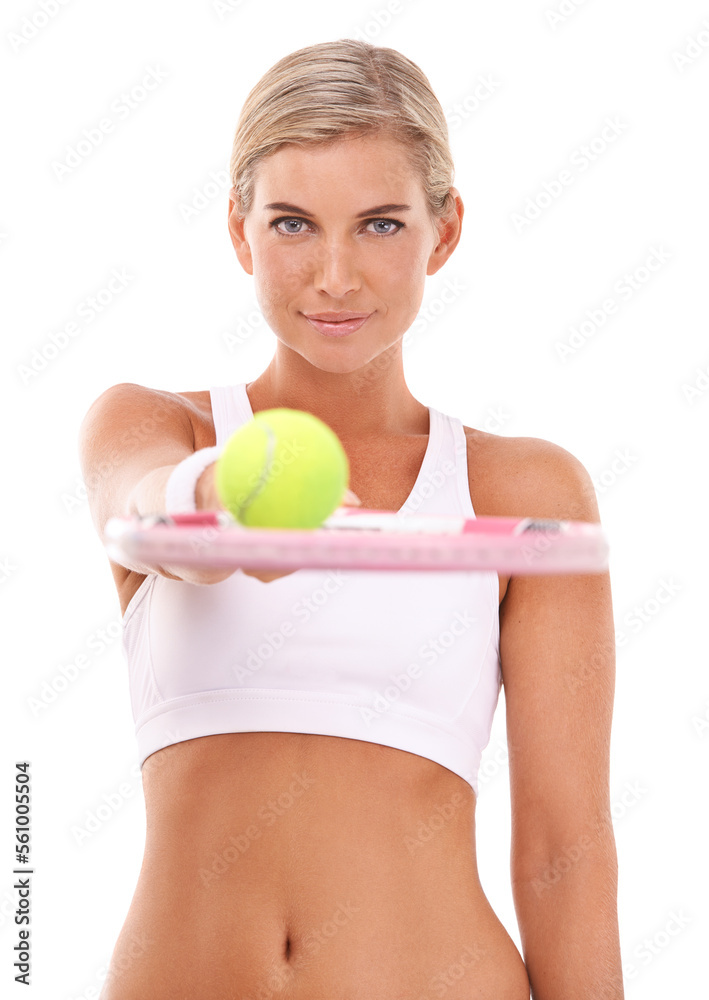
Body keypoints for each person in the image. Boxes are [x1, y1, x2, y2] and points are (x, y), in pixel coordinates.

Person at [79, 38, 623, 1000]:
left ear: (442, 233)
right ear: (240, 233)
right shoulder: (153, 425)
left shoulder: (525, 493)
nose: (334, 274)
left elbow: (560, 849)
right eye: (293, 224)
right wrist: (216, 503)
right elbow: (144, 516)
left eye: (378, 224)